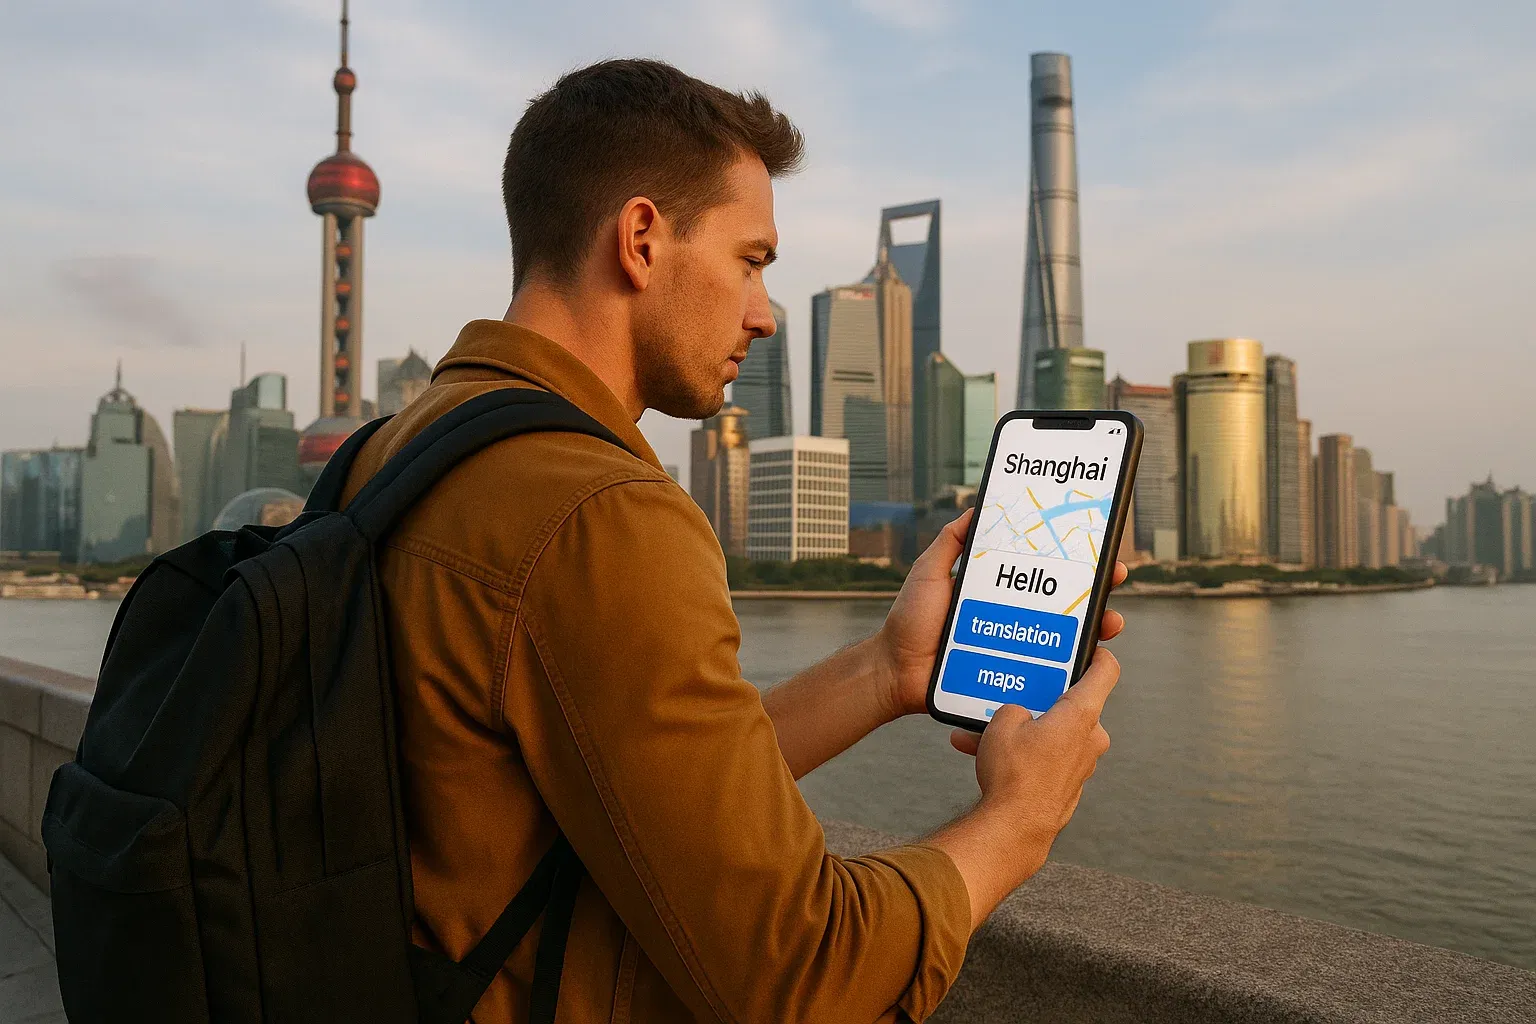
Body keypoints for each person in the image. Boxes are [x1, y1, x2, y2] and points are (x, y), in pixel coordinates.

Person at [339, 58, 1124, 1023]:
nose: (763, 313)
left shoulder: (398, 448)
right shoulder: (599, 513)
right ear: (640, 239)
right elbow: (798, 973)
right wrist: (1020, 820)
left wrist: (887, 669)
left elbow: (635, 780)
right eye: (751, 261)